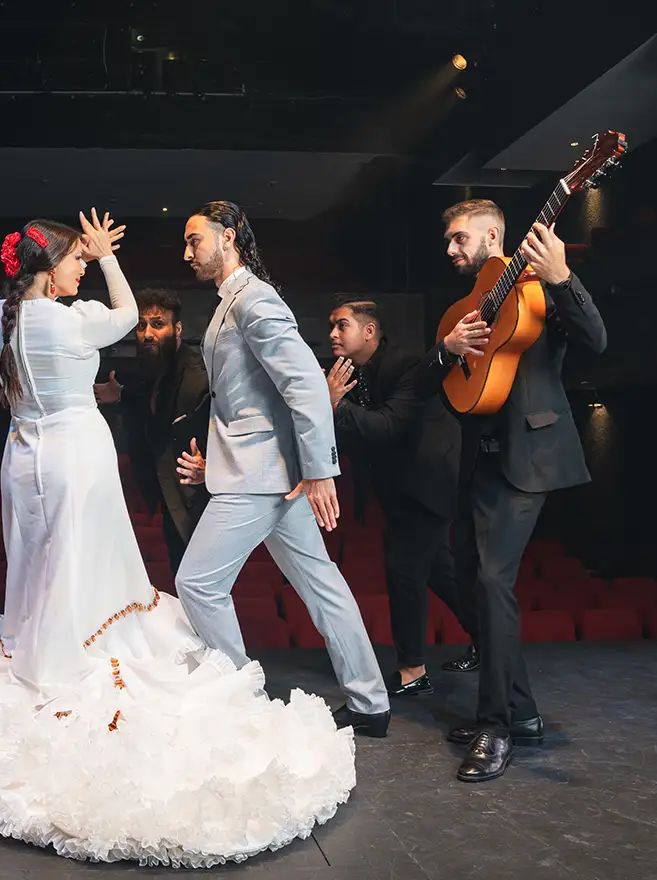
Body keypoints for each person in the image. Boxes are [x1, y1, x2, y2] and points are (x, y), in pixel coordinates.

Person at [0, 210, 357, 867]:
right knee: (84, 561)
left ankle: (42, 646)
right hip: (75, 455)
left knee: (37, 562)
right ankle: (81, 650)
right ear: (48, 266)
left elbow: (32, 374)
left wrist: (83, 381)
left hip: (22, 455)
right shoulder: (70, 319)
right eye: (75, 260)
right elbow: (124, 314)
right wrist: (109, 259)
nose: (81, 267)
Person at [172, 200, 391, 739]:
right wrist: (214, 465)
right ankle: (370, 702)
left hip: (262, 476)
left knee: (196, 583)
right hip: (261, 469)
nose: (186, 253)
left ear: (227, 238)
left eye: (194, 240)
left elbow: (307, 385)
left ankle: (240, 702)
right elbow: (249, 400)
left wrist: (320, 470)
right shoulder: (234, 301)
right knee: (323, 586)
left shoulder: (255, 299)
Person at [424, 199, 606, 782]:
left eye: (459, 239)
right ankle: (523, 715)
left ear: (493, 234)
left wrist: (565, 279)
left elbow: (596, 340)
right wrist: (448, 350)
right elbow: (442, 378)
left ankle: (495, 725)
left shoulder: (535, 285)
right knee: (473, 582)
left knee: (493, 579)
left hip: (532, 453)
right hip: (478, 457)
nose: (450, 249)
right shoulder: (468, 305)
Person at [323, 299, 477, 698]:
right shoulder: (354, 372)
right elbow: (358, 435)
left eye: (341, 326)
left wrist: (335, 404)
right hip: (399, 488)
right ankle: (488, 640)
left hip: (428, 484)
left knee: (403, 570)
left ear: (369, 332)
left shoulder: (406, 364)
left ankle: (413, 670)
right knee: (441, 572)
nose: (332, 335)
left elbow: (388, 427)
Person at [93, 288, 211, 574]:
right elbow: (150, 400)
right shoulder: (153, 369)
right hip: (170, 498)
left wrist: (211, 469)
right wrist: (120, 395)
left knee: (202, 589)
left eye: (158, 324)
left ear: (177, 329)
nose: (147, 334)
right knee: (182, 583)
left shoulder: (199, 377)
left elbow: (231, 432)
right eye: (141, 326)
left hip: (203, 504)